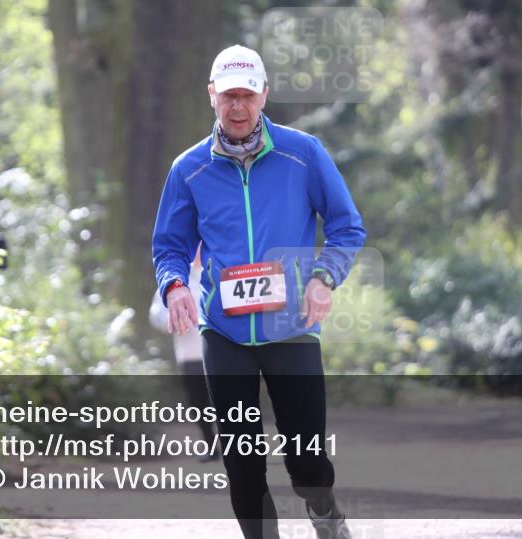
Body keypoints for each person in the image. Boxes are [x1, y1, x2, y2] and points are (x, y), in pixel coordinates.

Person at [152, 44, 365, 539]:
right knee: (242, 464)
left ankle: (325, 516)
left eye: (248, 94)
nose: (238, 105)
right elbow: (169, 247)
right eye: (229, 95)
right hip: (223, 333)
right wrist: (176, 286)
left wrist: (324, 277)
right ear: (212, 97)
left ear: (264, 95)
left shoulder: (303, 153)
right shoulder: (189, 169)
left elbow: (346, 227)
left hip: (290, 328)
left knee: (306, 459)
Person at [149, 244, 219, 462]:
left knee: (227, 402)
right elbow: (156, 316)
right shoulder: (175, 279)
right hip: (189, 355)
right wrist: (177, 319)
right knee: (199, 403)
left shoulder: (217, 273)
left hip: (219, 352)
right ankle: (211, 446)